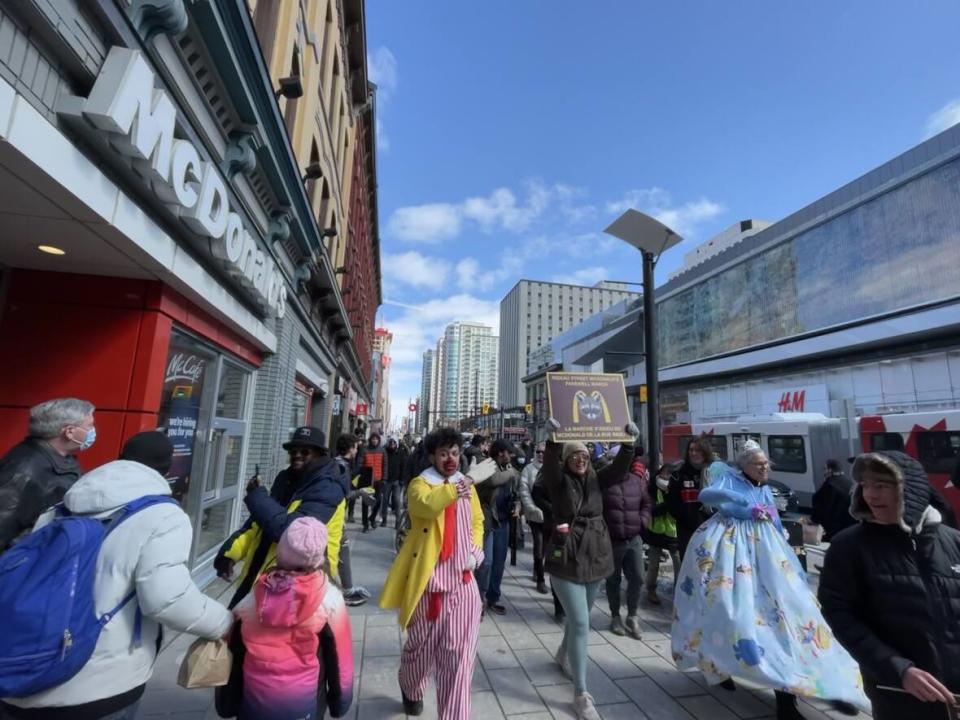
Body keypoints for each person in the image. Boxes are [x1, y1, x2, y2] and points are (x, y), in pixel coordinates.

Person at [1, 431, 232, 720]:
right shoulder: (164, 515)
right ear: (166, 469)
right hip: (101, 683)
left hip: (26, 666)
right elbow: (166, 599)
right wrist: (222, 621)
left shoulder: (59, 508)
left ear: (122, 457)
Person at [671, 441, 866, 720]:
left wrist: (792, 560)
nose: (765, 467)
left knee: (795, 621)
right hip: (733, 556)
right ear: (744, 466)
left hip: (771, 561)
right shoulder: (730, 477)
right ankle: (721, 665)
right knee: (732, 617)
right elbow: (708, 494)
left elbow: (774, 520)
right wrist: (737, 503)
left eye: (766, 463)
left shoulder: (765, 488)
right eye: (759, 463)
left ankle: (830, 688)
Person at [819, 451, 960, 720]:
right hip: (899, 696)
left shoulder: (954, 542)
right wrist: (898, 669)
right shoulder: (848, 547)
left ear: (910, 490)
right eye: (865, 485)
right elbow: (840, 616)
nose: (870, 495)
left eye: (881, 485)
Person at [379, 428, 485, 719]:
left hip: (464, 584)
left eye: (454, 452)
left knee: (459, 660)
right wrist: (458, 487)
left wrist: (476, 554)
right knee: (419, 654)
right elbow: (425, 507)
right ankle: (410, 687)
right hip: (429, 584)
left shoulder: (466, 485)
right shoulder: (420, 484)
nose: (450, 459)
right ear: (431, 456)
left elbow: (478, 521)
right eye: (443, 453)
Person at [542, 418, 639, 720]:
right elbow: (550, 466)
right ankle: (581, 694)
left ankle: (563, 655)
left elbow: (620, 469)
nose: (580, 460)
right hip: (566, 555)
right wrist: (553, 440)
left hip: (597, 553)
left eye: (583, 455)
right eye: (574, 456)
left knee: (578, 615)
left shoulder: (598, 478)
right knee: (582, 622)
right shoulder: (558, 482)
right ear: (567, 460)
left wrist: (628, 444)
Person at [221, 517, 353, 720]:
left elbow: (233, 653)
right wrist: (339, 704)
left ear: (280, 552)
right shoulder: (330, 600)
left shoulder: (253, 600)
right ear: (319, 557)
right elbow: (339, 658)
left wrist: (226, 704)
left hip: (254, 705)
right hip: (303, 706)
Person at [215, 426, 348, 608]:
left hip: (299, 587)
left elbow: (289, 533)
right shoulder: (286, 478)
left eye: (304, 451)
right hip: (260, 578)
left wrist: (256, 496)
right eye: (293, 451)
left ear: (319, 454)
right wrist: (230, 554)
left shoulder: (328, 488)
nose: (297, 455)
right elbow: (259, 524)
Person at [0, 398, 94, 551]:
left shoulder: (62, 459)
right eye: (89, 425)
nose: (93, 431)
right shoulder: (24, 470)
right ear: (70, 432)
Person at [602, 448, 652, 639]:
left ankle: (632, 615)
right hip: (612, 541)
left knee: (638, 577)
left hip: (633, 538)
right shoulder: (604, 481)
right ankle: (615, 616)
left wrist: (643, 520)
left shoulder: (637, 481)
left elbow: (647, 503)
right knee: (612, 579)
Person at [475, 439, 519, 616]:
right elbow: (494, 481)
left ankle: (493, 597)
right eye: (509, 453)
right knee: (486, 562)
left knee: (499, 563)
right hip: (488, 521)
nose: (511, 456)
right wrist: (512, 472)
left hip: (504, 521)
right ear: (501, 452)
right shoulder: (487, 466)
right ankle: (478, 598)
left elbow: (515, 491)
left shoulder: (507, 469)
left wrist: (517, 505)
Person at [667, 437, 714, 559]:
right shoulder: (679, 473)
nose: (693, 453)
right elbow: (671, 503)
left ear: (705, 452)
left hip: (710, 529)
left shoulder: (714, 472)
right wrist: (685, 517)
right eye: (691, 450)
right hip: (687, 531)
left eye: (698, 450)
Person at [643, 463, 681, 605]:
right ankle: (651, 589)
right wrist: (667, 506)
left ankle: (679, 591)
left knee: (678, 563)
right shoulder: (652, 487)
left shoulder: (676, 488)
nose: (667, 476)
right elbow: (651, 509)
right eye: (665, 472)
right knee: (653, 564)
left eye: (670, 473)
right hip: (656, 531)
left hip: (673, 532)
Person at [520, 442, 548, 594]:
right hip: (535, 515)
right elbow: (524, 491)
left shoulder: (553, 468)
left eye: (544, 452)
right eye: (538, 452)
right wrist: (532, 508)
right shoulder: (528, 469)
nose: (541, 455)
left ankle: (538, 568)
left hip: (550, 516)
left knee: (545, 548)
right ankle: (541, 580)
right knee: (538, 545)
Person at [810, 458, 856, 541]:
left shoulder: (830, 485)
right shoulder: (849, 482)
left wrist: (814, 520)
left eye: (825, 469)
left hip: (834, 527)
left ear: (830, 470)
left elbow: (823, 506)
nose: (823, 472)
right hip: (848, 525)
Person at [360, 433, 387, 532]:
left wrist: (384, 478)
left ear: (378, 440)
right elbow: (360, 463)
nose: (374, 441)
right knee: (365, 503)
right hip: (367, 481)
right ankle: (365, 524)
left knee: (378, 501)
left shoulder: (382, 450)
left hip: (378, 480)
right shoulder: (364, 450)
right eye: (373, 439)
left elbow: (385, 465)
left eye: (376, 439)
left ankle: (372, 518)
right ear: (370, 439)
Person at [382, 437, 406, 529]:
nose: (392, 444)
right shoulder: (385, 452)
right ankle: (384, 520)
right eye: (390, 443)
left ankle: (398, 521)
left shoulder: (400, 453)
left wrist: (402, 479)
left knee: (396, 500)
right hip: (387, 480)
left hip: (397, 481)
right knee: (385, 500)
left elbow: (403, 466)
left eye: (394, 443)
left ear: (396, 444)